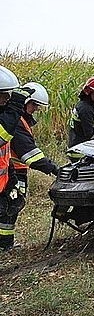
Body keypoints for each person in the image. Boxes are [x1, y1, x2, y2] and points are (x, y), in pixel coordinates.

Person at [0, 66, 34, 252]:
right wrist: (15, 106)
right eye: (4, 95)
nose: (7, 99)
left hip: (4, 180)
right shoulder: (7, 119)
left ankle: (5, 246)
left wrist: (11, 176)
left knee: (8, 209)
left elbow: (4, 153)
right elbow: (2, 135)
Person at [10, 82, 60, 193]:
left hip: (17, 171)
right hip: (13, 172)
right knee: (12, 203)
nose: (36, 109)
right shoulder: (17, 122)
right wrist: (54, 169)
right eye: (34, 104)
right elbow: (29, 153)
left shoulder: (21, 120)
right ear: (25, 102)